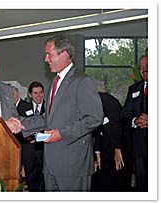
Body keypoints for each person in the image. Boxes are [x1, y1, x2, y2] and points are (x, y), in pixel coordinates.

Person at [43, 35, 104, 191]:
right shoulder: (53, 83)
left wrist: (62, 134)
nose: (46, 59)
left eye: (49, 54)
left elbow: (94, 118)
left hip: (73, 165)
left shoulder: (82, 81)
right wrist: (22, 126)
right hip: (51, 164)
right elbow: (50, 118)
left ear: (64, 55)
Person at [91, 92, 132, 191]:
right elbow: (95, 130)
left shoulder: (108, 101)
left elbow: (116, 125)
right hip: (104, 144)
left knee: (120, 176)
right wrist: (97, 152)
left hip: (121, 144)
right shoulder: (87, 103)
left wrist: (117, 149)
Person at [121, 55, 148, 191]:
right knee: (142, 183)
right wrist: (135, 120)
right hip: (139, 146)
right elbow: (125, 114)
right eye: (142, 67)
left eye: (148, 65)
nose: (144, 69)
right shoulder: (134, 89)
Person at [20, 81, 45, 191]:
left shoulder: (50, 108)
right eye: (35, 93)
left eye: (40, 92)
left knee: (44, 178)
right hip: (28, 150)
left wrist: (38, 137)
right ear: (30, 95)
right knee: (30, 178)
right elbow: (21, 129)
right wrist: (30, 138)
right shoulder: (23, 109)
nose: (38, 96)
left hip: (44, 149)